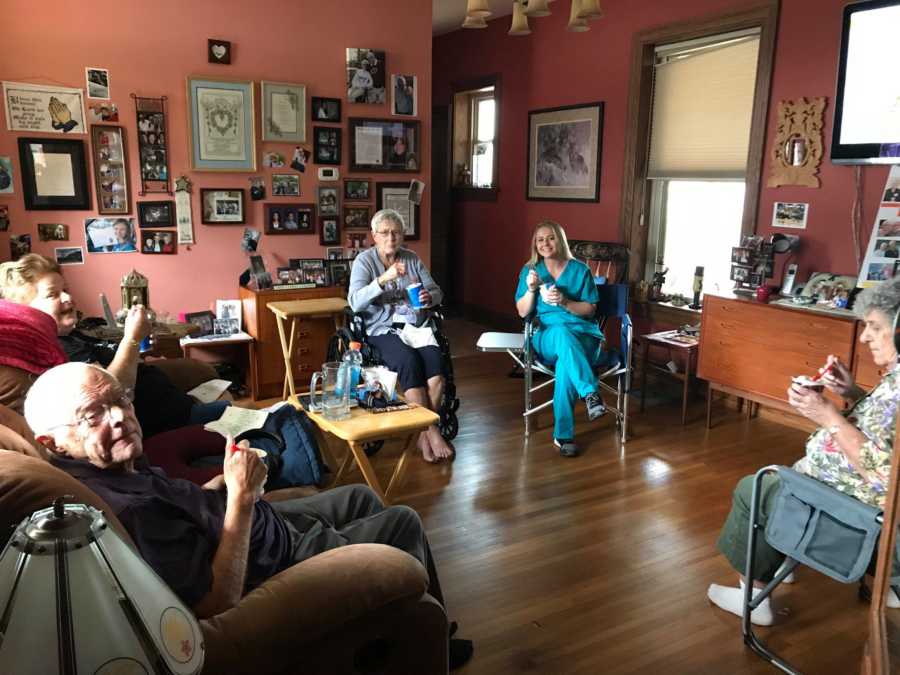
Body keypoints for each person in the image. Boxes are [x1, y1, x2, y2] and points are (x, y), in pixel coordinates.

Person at [23, 361, 473, 669]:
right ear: (52, 443)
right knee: (402, 522)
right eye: (92, 415)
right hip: (268, 558)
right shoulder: (132, 512)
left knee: (358, 495)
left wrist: (222, 485)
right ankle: (427, 637)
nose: (119, 417)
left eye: (120, 400)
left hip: (248, 522)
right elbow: (215, 604)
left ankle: (394, 632)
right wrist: (240, 497)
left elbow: (182, 509)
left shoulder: (107, 468)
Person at [708, 276, 900, 625]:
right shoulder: (896, 377)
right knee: (786, 479)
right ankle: (784, 554)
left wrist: (826, 414)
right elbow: (886, 431)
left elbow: (887, 476)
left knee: (755, 488)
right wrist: (853, 391)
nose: (865, 337)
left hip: (861, 516)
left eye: (875, 327)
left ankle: (753, 597)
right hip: (850, 495)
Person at [0, 254, 228, 438]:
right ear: (25, 309)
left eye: (66, 289)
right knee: (257, 421)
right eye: (53, 294)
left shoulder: (72, 334)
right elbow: (111, 393)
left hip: (178, 406)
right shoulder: (58, 350)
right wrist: (132, 338)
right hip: (169, 423)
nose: (68, 297)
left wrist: (140, 347)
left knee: (230, 399)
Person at [348, 209, 454, 463]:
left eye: (396, 232)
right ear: (374, 235)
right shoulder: (364, 261)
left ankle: (420, 433)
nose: (390, 237)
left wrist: (430, 298)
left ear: (402, 235)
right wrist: (383, 279)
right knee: (408, 363)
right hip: (381, 330)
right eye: (384, 232)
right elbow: (355, 302)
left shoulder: (412, 258)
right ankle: (430, 430)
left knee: (437, 373)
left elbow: (436, 291)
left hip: (415, 327)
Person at [514, 221, 607, 458]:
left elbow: (590, 310)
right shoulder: (531, 271)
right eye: (540, 239)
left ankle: (563, 436)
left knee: (568, 364)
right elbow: (523, 312)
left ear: (561, 240)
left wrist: (565, 301)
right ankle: (590, 393)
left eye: (551, 238)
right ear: (535, 244)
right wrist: (532, 290)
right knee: (563, 336)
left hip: (585, 336)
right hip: (548, 336)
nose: (545, 243)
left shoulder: (580, 270)